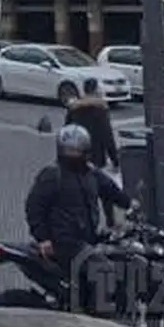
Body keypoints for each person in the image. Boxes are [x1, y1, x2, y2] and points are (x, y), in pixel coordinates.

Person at [26, 125, 136, 317]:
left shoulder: (91, 173)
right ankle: (96, 324)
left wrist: (131, 204)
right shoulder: (52, 175)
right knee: (103, 271)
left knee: (119, 256)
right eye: (69, 150)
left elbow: (110, 190)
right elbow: (34, 208)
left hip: (87, 238)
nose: (73, 155)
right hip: (65, 242)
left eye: (77, 151)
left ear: (86, 151)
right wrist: (43, 238)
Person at [64, 78, 120, 227]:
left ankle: (85, 222)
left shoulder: (73, 108)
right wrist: (115, 159)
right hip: (96, 157)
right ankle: (110, 221)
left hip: (76, 157)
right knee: (104, 189)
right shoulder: (100, 109)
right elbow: (107, 135)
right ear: (95, 90)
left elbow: (66, 133)